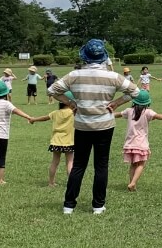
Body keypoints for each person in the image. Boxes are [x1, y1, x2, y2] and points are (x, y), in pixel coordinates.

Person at [47, 39, 141, 215]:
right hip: (105, 125)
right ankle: (98, 205)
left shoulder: (74, 75)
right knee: (101, 165)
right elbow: (136, 92)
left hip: (82, 125)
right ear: (103, 57)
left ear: (85, 57)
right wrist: (117, 102)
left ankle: (69, 205)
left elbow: (52, 90)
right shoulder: (113, 76)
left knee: (78, 166)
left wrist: (71, 103)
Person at [114, 90, 162, 191]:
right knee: (141, 163)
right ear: (147, 102)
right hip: (141, 144)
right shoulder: (147, 112)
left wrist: (106, 114)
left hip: (129, 143)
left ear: (134, 101)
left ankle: (131, 183)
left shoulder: (129, 111)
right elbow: (158, 116)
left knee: (133, 164)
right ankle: (133, 183)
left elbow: (118, 114)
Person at [0, 81, 34, 184]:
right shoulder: (7, 104)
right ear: (5, 93)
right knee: (1, 157)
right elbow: (17, 111)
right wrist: (28, 117)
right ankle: (0, 180)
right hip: (2, 136)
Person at [31, 95, 77, 187]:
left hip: (56, 142)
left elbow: (44, 118)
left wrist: (33, 119)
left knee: (54, 162)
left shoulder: (55, 113)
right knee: (70, 162)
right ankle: (71, 184)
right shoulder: (73, 113)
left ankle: (51, 183)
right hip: (69, 142)